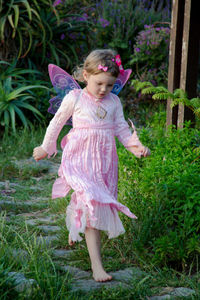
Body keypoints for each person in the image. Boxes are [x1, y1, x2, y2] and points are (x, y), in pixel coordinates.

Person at [33, 49, 150, 282]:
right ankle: (97, 267)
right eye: (99, 84)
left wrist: (136, 147)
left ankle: (76, 225)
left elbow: (121, 130)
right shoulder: (75, 98)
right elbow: (56, 123)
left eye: (109, 85)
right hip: (79, 158)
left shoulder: (114, 102)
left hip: (105, 164)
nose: (104, 90)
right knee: (91, 204)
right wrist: (46, 147)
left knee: (90, 204)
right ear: (86, 76)